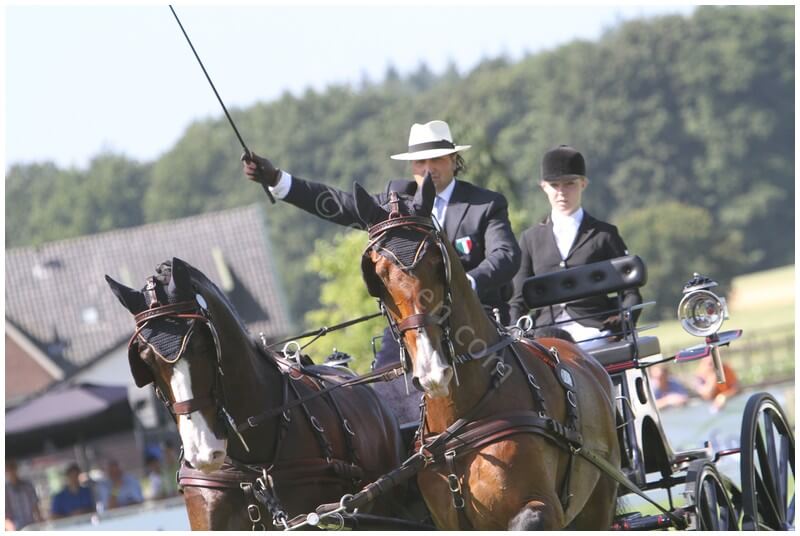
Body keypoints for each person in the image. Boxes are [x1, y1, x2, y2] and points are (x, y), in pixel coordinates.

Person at [243, 119, 521, 368]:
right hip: (413, 321)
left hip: (473, 317)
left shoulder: (485, 204)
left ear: (454, 159)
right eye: (420, 162)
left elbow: (506, 254)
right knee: (383, 386)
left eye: (436, 159)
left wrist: (468, 282)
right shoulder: (396, 205)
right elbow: (339, 204)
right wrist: (277, 179)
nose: (428, 169)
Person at [509, 145, 642, 347]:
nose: (561, 192)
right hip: (546, 332)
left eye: (569, 184)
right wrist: (515, 332)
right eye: (554, 185)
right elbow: (517, 301)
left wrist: (623, 320)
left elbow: (630, 293)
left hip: (594, 329)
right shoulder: (530, 239)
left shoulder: (604, 234)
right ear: (543, 187)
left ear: (583, 183)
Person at [5, 459, 42, 530]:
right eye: (8, 470)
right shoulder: (5, 490)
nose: (11, 472)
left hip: (31, 524)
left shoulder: (28, 486)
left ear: (16, 469)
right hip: (14, 528)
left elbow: (35, 506)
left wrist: (40, 521)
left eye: (12, 468)